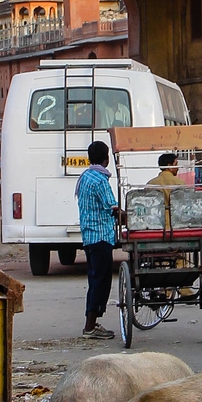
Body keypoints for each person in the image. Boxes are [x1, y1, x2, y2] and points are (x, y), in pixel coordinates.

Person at [75, 139, 118, 339]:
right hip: (101, 236)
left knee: (94, 280)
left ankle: (90, 323)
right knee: (101, 281)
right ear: (105, 158)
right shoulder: (100, 180)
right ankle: (90, 326)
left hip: (89, 236)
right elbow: (112, 206)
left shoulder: (85, 177)